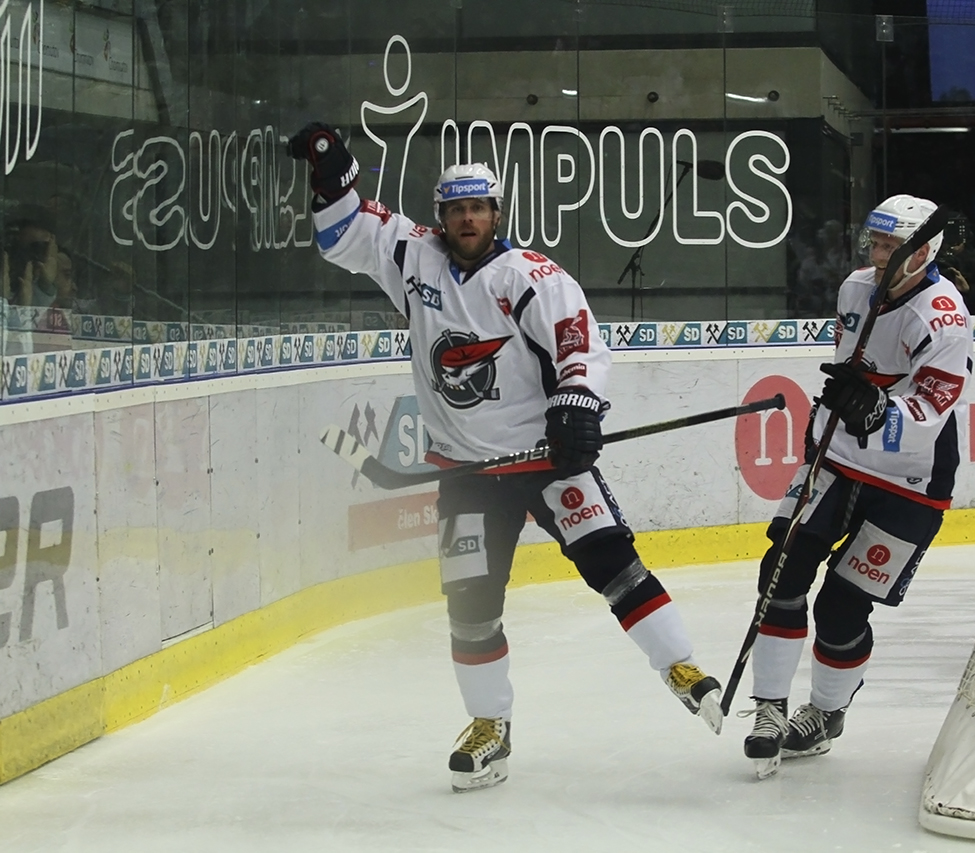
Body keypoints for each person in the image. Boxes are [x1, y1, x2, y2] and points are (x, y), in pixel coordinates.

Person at [286, 122, 723, 793]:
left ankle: (681, 667)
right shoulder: (412, 256)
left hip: (546, 461)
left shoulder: (531, 275)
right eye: (456, 209)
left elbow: (579, 344)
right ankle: (490, 724)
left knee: (615, 566)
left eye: (479, 208)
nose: (468, 219)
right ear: (442, 216)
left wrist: (576, 407)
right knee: (470, 606)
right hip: (466, 474)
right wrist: (331, 173)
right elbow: (346, 233)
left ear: (497, 213)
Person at [739, 195, 972, 779]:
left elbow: (930, 411)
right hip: (837, 460)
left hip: (911, 480)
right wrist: (837, 412)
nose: (879, 255)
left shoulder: (943, 317)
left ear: (924, 251)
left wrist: (874, 410)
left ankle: (825, 713)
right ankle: (769, 709)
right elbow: (849, 371)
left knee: (842, 606)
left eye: (892, 246)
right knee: (782, 569)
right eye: (877, 243)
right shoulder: (854, 289)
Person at [937, 214, 975, 315]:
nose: (952, 248)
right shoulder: (932, 260)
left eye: (956, 243)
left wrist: (968, 289)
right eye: (948, 244)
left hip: (968, 312)